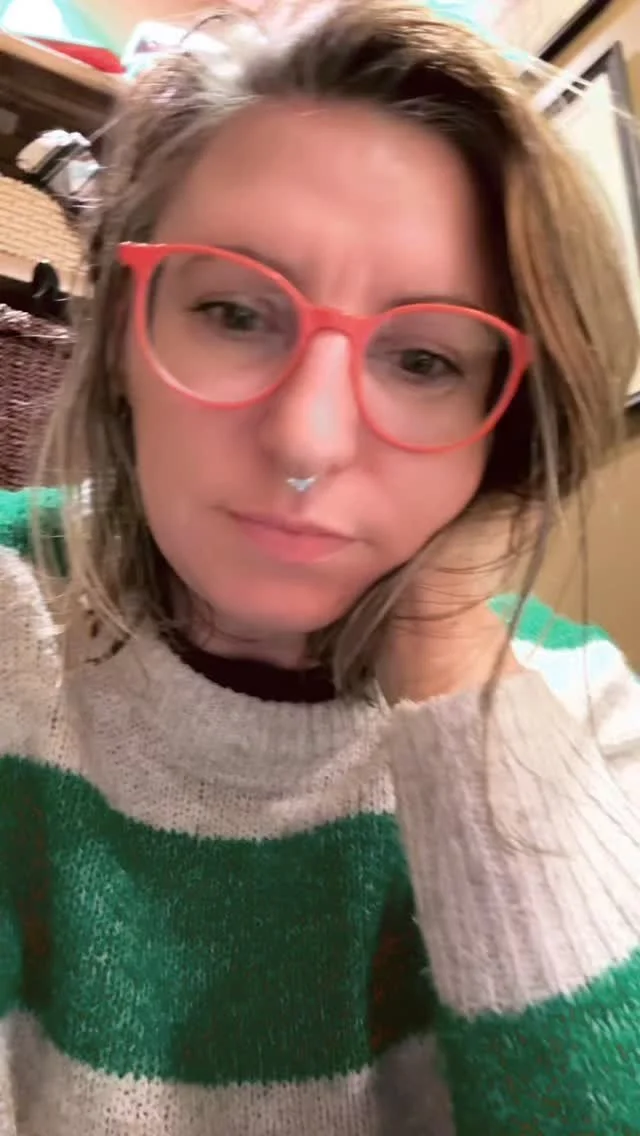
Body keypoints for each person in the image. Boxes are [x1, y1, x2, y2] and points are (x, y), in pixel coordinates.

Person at [1, 2, 640, 1132]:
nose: (306, 438)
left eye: (426, 359)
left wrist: (445, 650)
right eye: (235, 312)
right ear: (123, 337)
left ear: (509, 429)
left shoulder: (590, 717)